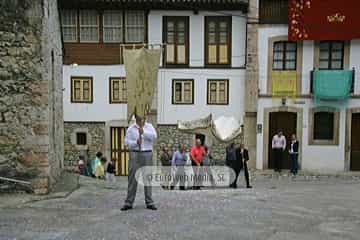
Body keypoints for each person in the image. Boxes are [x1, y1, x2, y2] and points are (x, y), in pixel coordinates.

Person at [121, 115, 157, 211]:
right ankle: (129, 202)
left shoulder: (149, 126)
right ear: (136, 117)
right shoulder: (131, 128)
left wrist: (143, 132)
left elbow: (154, 136)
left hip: (147, 153)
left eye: (144, 116)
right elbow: (126, 142)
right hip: (135, 154)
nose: (142, 118)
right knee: (132, 178)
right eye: (140, 116)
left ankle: (149, 202)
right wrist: (136, 142)